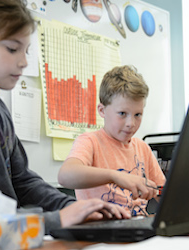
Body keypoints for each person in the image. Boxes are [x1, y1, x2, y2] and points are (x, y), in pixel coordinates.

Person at [0, 0, 130, 233]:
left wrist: (77, 208)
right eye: (12, 49)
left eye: (26, 50)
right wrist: (57, 220)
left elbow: (23, 182)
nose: (24, 61)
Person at [57, 65, 166, 216]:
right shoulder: (90, 142)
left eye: (138, 114)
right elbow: (65, 176)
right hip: (103, 228)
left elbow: (165, 195)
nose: (131, 123)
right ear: (102, 110)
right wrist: (116, 176)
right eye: (122, 113)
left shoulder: (142, 148)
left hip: (139, 226)